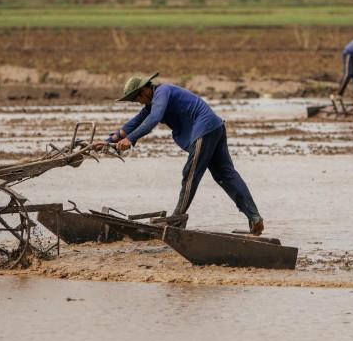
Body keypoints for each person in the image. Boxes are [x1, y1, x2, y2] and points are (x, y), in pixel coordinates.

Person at [104, 73, 265, 235]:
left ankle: (176, 221)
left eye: (136, 98)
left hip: (204, 130)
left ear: (145, 90)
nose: (138, 102)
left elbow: (153, 119)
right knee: (225, 175)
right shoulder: (153, 103)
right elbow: (132, 124)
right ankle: (254, 218)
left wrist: (131, 139)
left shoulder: (162, 92)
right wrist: (107, 141)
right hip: (215, 127)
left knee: (190, 175)